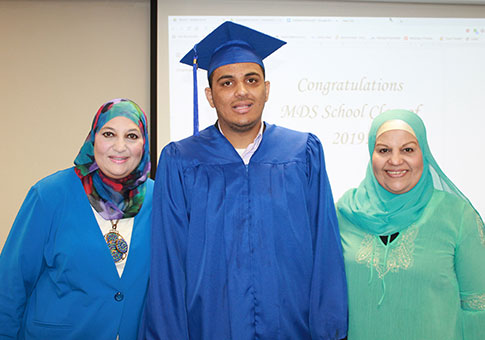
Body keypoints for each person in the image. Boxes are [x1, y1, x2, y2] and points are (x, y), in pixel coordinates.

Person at [139, 21, 348, 340]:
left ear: (266, 88)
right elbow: (168, 261)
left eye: (251, 80)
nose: (241, 91)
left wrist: (329, 329)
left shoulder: (302, 152)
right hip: (208, 327)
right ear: (210, 95)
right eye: (227, 82)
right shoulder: (181, 160)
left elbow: (325, 248)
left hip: (292, 326)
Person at [0, 98, 153, 339]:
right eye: (109, 134)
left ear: (143, 143)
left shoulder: (161, 198)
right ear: (93, 139)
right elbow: (11, 284)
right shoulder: (49, 195)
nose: (120, 146)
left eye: (132, 136)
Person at [337, 109, 485, 339]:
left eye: (407, 149)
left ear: (423, 153)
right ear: (371, 154)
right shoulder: (343, 214)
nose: (395, 160)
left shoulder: (457, 216)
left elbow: (478, 307)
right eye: (384, 150)